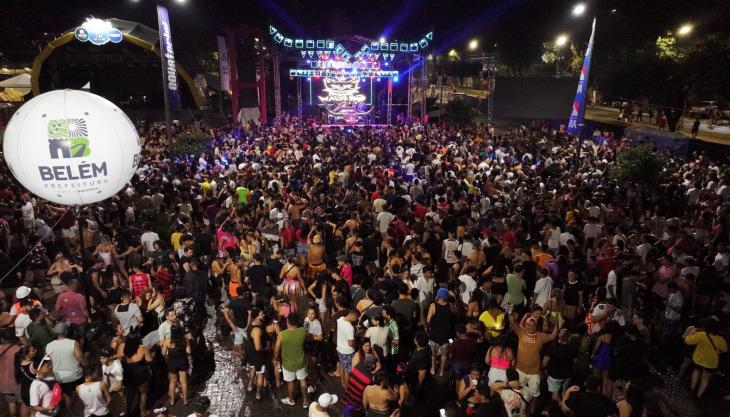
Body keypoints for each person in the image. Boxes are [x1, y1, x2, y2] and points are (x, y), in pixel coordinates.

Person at [683, 320, 728, 398]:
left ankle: (692, 389)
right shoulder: (720, 339)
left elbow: (687, 341)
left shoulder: (702, 335)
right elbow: (725, 349)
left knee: (696, 372)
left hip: (699, 359)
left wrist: (690, 333)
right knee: (705, 379)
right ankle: (699, 395)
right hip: (711, 362)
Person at [44, 322, 83, 409]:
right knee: (78, 395)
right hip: (75, 376)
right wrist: (87, 366)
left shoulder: (48, 346)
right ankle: (78, 411)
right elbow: (81, 358)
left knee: (67, 397)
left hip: (59, 378)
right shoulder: (73, 343)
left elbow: (48, 363)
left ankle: (69, 412)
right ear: (66, 331)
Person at [276, 313, 309, 408]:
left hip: (288, 364)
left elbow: (277, 349)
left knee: (291, 382)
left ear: (287, 322)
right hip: (301, 362)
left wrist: (275, 359)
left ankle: (291, 400)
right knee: (303, 380)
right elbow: (308, 337)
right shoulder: (303, 331)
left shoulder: (282, 334)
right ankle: (305, 401)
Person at [426, 288, 453, 376]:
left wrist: (429, 326)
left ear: (438, 296)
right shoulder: (450, 305)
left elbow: (428, 320)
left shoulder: (433, 305)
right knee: (444, 354)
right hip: (446, 335)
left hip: (434, 334)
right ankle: (441, 371)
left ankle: (433, 369)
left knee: (433, 354)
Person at [162, 324, 190, 406]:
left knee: (172, 382)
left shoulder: (167, 341)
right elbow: (188, 351)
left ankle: (172, 401)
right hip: (182, 362)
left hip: (172, 363)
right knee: (183, 382)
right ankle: (185, 401)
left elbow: (163, 353)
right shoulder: (185, 340)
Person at [336, 309, 358, 388]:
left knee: (342, 366)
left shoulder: (340, 319)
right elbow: (350, 344)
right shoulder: (350, 328)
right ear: (353, 316)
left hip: (339, 348)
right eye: (356, 318)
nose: (355, 320)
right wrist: (355, 339)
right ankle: (347, 387)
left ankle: (342, 383)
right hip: (347, 351)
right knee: (347, 371)